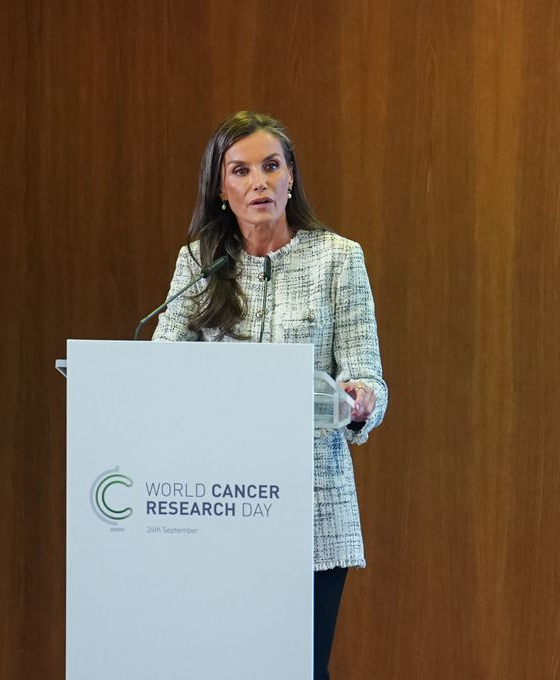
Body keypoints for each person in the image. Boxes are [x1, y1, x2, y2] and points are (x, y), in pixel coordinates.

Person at [152, 111, 387, 680]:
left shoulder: (338, 258)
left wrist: (359, 399)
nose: (259, 182)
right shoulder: (199, 262)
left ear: (290, 178)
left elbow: (368, 377)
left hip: (312, 505)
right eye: (242, 170)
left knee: (300, 669)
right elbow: (157, 365)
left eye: (271, 166)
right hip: (219, 501)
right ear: (221, 188)